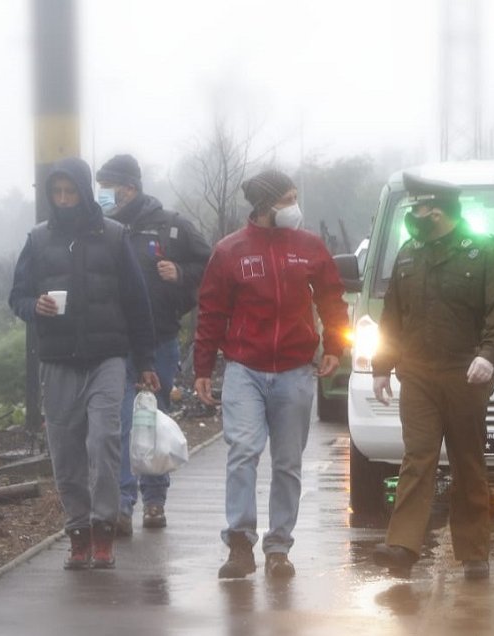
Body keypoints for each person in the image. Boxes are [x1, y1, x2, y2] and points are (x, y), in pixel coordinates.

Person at [193, 168, 349, 579]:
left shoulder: (310, 247)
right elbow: (211, 311)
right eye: (287, 199)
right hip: (245, 369)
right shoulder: (230, 252)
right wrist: (203, 367)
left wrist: (335, 346)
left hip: (296, 370)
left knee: (287, 462)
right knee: (243, 451)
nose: (294, 207)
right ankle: (240, 543)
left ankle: (279, 545)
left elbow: (333, 300)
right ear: (265, 204)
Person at [8, 157, 160, 570]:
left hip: (107, 359)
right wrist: (33, 307)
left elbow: (137, 302)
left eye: (70, 191)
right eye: (56, 193)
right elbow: (17, 295)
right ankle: (77, 531)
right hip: (57, 360)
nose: (63, 199)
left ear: (83, 192)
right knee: (66, 453)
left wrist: (145, 361)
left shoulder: (113, 236)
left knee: (104, 441)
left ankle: (104, 528)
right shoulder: (38, 241)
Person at [370, 173, 494, 581]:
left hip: (465, 373)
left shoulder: (484, 251)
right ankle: (402, 546)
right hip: (417, 372)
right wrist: (382, 365)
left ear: (440, 210)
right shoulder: (408, 254)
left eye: (420, 207)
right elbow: (392, 317)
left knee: (468, 460)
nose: (415, 215)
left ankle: (473, 552)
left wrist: (490, 354)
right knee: (418, 456)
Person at [96, 154, 211, 535]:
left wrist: (179, 275)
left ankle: (156, 500)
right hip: (114, 342)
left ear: (129, 188)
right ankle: (124, 504)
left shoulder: (171, 227)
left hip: (159, 339)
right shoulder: (100, 228)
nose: (104, 196)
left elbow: (208, 268)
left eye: (109, 188)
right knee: (123, 423)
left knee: (153, 419)